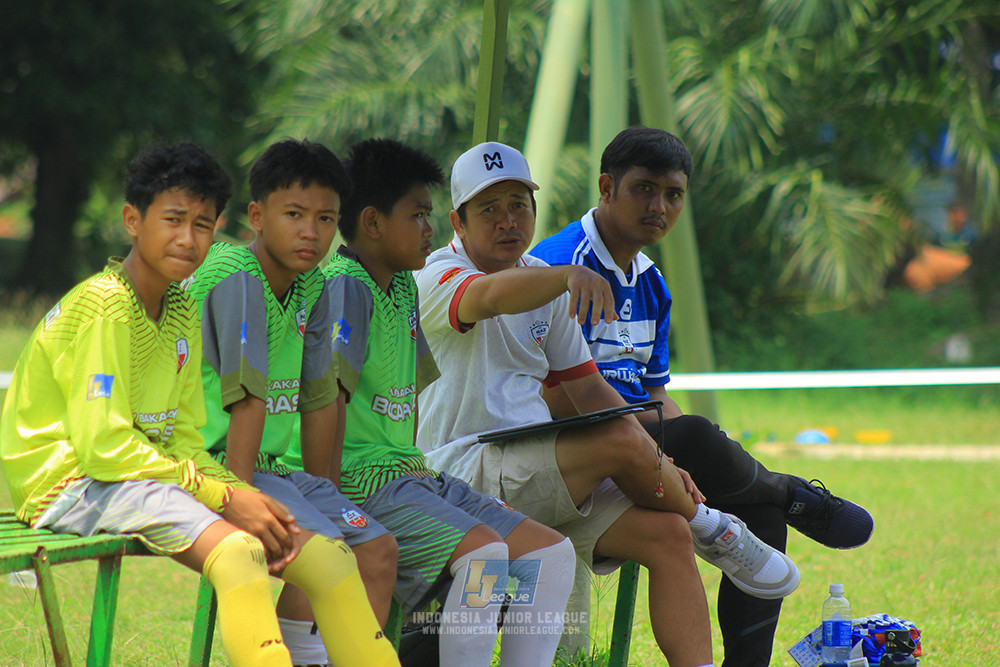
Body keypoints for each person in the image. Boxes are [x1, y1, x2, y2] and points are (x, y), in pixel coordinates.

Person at [415, 141, 801, 667]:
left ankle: (699, 539)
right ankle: (715, 528)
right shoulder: (438, 275)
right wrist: (568, 276)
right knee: (626, 441)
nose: (508, 220)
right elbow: (487, 298)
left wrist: (658, 465)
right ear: (458, 223)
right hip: (461, 472)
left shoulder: (542, 283)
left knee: (667, 531)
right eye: (489, 209)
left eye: (519, 205)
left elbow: (590, 389)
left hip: (533, 473)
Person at [530, 126, 875, 667]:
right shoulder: (557, 267)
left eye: (673, 195)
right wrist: (670, 445)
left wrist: (674, 454)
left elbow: (655, 395)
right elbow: (551, 397)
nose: (659, 206)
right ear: (606, 187)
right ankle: (790, 490)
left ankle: (750, 646)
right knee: (691, 432)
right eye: (644, 189)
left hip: (642, 444)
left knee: (759, 515)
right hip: (574, 450)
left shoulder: (652, 282)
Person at [0, 142, 315, 666]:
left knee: (296, 549)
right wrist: (220, 495)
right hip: (70, 480)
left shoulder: (181, 309)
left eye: (203, 224)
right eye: (173, 219)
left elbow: (187, 437)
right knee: (239, 553)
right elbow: (102, 447)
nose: (188, 239)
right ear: (132, 219)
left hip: (132, 474)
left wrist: (235, 491)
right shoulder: (106, 307)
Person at [279, 137, 576, 666]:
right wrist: (327, 504)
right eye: (418, 215)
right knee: (484, 557)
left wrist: (418, 474)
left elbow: (409, 398)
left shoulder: (402, 289)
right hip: (357, 483)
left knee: (551, 555)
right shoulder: (345, 287)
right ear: (372, 223)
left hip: (412, 475)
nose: (429, 229)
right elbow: (323, 402)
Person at [184, 139, 399, 667]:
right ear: (257, 216)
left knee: (377, 548)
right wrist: (237, 501)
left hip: (268, 467)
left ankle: (313, 657)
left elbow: (321, 398)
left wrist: (325, 492)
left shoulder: (312, 286)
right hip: (206, 465)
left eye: (326, 218)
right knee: (329, 552)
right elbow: (248, 402)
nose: (311, 232)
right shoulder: (237, 278)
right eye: (295, 215)